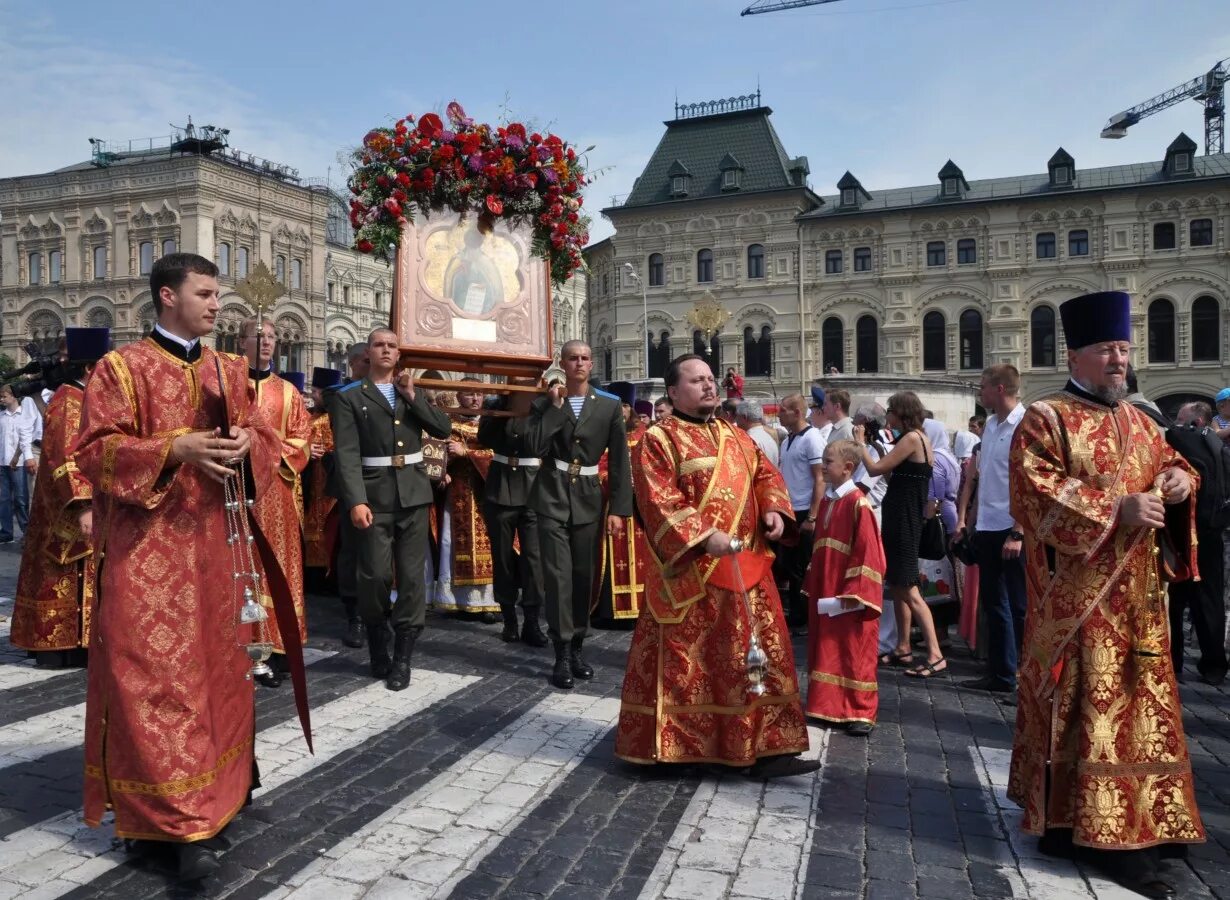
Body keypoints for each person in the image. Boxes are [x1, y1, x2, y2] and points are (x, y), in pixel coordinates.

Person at [74, 253, 309, 881]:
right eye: (204, 294)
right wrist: (173, 448)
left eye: (217, 295)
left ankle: (220, 798)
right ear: (166, 296)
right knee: (153, 683)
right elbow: (92, 454)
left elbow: (265, 439)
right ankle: (170, 825)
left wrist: (245, 444)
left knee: (219, 678)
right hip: (145, 555)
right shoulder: (120, 370)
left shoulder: (228, 370)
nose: (215, 305)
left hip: (216, 553)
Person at [1008, 290, 1203, 898]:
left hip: (1142, 603)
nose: (1119, 359)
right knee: (1094, 717)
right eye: (1106, 349)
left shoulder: (1144, 421)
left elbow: (1178, 468)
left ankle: (1147, 817)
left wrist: (1178, 480)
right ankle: (1092, 828)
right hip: (1081, 603)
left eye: (1123, 348)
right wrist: (1114, 508)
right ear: (1077, 354)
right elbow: (1034, 492)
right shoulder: (1047, 418)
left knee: (1142, 715)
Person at [615, 354, 816, 777]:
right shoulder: (659, 439)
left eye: (710, 379)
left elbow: (765, 475)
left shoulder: (734, 434)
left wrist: (775, 510)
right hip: (692, 575)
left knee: (755, 661)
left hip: (747, 571)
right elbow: (657, 500)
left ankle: (767, 747)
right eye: (696, 380)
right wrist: (706, 537)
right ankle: (679, 749)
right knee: (691, 668)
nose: (708, 386)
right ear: (673, 392)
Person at [330, 328, 452, 691]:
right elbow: (347, 455)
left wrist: (414, 397)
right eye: (379, 345)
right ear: (368, 352)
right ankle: (377, 640)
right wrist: (356, 500)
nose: (386, 350)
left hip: (413, 495)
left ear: (399, 354)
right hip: (374, 496)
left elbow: (442, 428)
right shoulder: (350, 397)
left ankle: (403, 657)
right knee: (375, 576)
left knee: (413, 579)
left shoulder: (411, 392)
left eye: (392, 346)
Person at [519, 340, 632, 689]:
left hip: (587, 498)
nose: (579, 363)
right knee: (557, 576)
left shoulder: (610, 406)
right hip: (551, 494)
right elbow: (532, 446)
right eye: (572, 358)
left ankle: (579, 645)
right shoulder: (545, 403)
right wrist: (554, 409)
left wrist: (619, 509)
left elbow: (618, 461)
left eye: (584, 358)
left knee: (583, 575)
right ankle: (562, 652)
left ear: (591, 363)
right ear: (562, 363)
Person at [9, 327, 107, 668]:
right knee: (64, 574)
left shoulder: (86, 398)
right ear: (90, 369)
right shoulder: (70, 399)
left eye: (65, 355)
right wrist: (82, 504)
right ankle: (64, 645)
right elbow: (66, 454)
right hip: (69, 507)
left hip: (78, 503)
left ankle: (77, 642)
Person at [855, 391, 947, 677]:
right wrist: (877, 448)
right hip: (901, 515)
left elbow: (873, 469)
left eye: (892, 411)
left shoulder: (911, 439)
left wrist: (860, 444)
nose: (888, 417)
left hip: (904, 519)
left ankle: (935, 654)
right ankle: (903, 647)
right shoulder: (917, 439)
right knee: (896, 584)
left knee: (909, 588)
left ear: (902, 413)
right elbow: (892, 477)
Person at [243, 317, 312, 688]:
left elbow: (302, 440)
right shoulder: (228, 386)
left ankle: (277, 648)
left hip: (275, 495)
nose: (266, 342)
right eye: (258, 336)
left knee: (276, 569)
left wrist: (261, 456)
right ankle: (240, 647)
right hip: (234, 493)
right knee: (239, 569)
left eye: (270, 336)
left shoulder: (288, 393)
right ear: (242, 341)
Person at [803, 439, 886, 736]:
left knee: (854, 649)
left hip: (848, 591)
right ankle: (827, 706)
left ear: (848, 468)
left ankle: (859, 710)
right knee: (828, 645)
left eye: (828, 462)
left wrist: (854, 591)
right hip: (827, 586)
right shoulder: (828, 500)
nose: (823, 467)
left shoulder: (858, 504)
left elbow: (868, 554)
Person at [958, 365, 1027, 695]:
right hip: (987, 524)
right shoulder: (990, 427)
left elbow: (1031, 483)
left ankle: (1025, 679)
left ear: (1000, 389)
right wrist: (970, 522)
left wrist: (1019, 530)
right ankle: (1000, 673)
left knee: (1018, 606)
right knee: (993, 603)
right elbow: (982, 479)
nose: (979, 392)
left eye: (983, 387)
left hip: (1011, 528)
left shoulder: (1024, 425)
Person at [477, 382, 548, 646]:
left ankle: (531, 620)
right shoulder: (497, 405)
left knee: (534, 559)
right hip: (501, 486)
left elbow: (544, 444)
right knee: (503, 557)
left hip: (533, 488)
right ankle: (509, 618)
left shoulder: (543, 405)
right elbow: (486, 438)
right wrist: (503, 408)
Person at [1165, 401, 1228, 684]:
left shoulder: (1186, 441)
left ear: (1197, 422)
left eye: (1182, 420)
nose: (1178, 425)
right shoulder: (1216, 443)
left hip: (1181, 532)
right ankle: (1214, 664)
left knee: (1174, 601)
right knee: (1211, 600)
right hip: (1211, 532)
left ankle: (1173, 660)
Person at [435, 382, 501, 620]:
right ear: (458, 396)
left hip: (487, 490)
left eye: (479, 394)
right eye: (469, 394)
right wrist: (443, 469)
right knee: (451, 542)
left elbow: (499, 455)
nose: (475, 399)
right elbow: (434, 452)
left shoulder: (491, 422)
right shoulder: (448, 422)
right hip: (458, 491)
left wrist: (468, 452)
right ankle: (456, 599)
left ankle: (488, 601)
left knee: (490, 545)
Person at [595, 382, 650, 623]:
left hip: (640, 512)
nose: (622, 411)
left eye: (626, 406)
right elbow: (596, 469)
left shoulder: (645, 436)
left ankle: (642, 609)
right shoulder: (601, 435)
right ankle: (609, 611)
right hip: (609, 508)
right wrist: (616, 484)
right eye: (618, 406)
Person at [328, 342, 370, 647]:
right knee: (353, 549)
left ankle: (378, 610)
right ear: (355, 363)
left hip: (386, 480)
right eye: (367, 361)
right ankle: (354, 614)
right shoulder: (339, 395)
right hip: (353, 479)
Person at [774, 393, 826, 632]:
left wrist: (813, 516)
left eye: (783, 409)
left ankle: (802, 617)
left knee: (801, 567)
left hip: (805, 510)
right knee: (788, 564)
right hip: (790, 509)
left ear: (796, 412)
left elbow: (820, 478)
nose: (778, 413)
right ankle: (795, 612)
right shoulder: (787, 440)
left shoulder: (812, 438)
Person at [302, 367, 344, 608]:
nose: (314, 395)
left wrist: (327, 454)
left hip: (331, 483)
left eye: (317, 391)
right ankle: (314, 578)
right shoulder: (307, 417)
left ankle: (333, 578)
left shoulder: (338, 417)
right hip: (310, 482)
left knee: (333, 528)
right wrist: (308, 452)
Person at [0, 384, 34, 542]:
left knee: (21, 498)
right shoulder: (2, 416)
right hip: (3, 462)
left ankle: (27, 531)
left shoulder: (24, 414)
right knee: (4, 498)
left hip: (19, 463)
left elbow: (25, 438)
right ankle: (6, 532)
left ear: (13, 396)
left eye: (4, 396)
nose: (2, 399)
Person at [736, 399, 779, 467]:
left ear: (744, 417)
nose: (736, 421)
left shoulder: (749, 440)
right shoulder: (770, 438)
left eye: (737, 416)